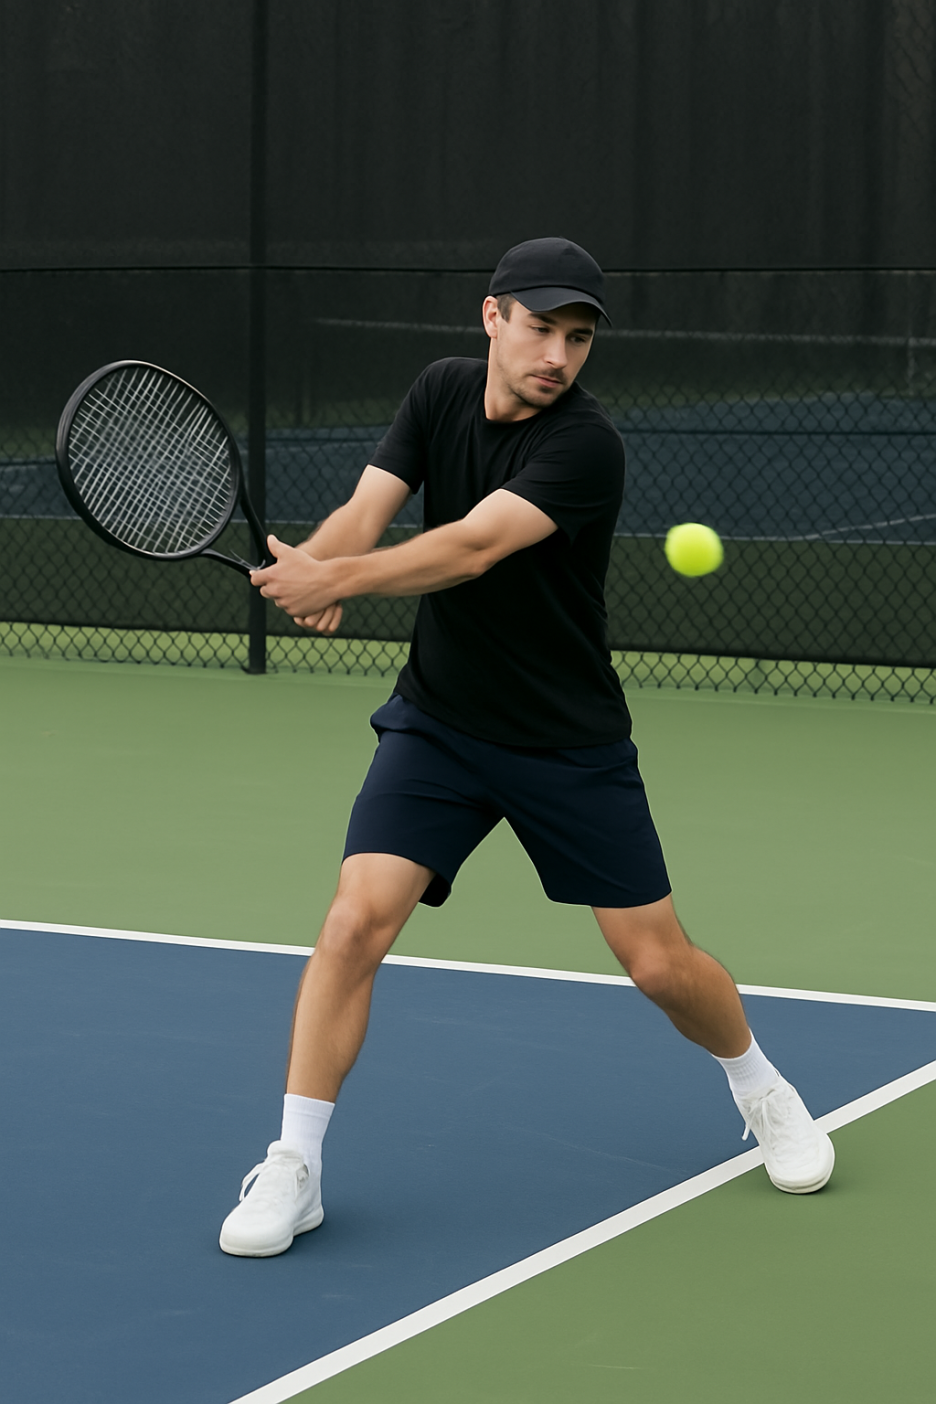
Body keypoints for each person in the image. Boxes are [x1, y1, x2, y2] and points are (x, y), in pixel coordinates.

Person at [218, 237, 834, 1258]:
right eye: (542, 328)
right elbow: (368, 511)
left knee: (657, 963)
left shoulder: (588, 446)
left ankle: (761, 1087)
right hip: (440, 724)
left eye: (579, 337)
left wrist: (341, 582)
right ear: (492, 316)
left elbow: (471, 547)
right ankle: (295, 1164)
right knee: (355, 920)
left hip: (565, 743)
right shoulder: (439, 391)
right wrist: (316, 561)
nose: (558, 354)